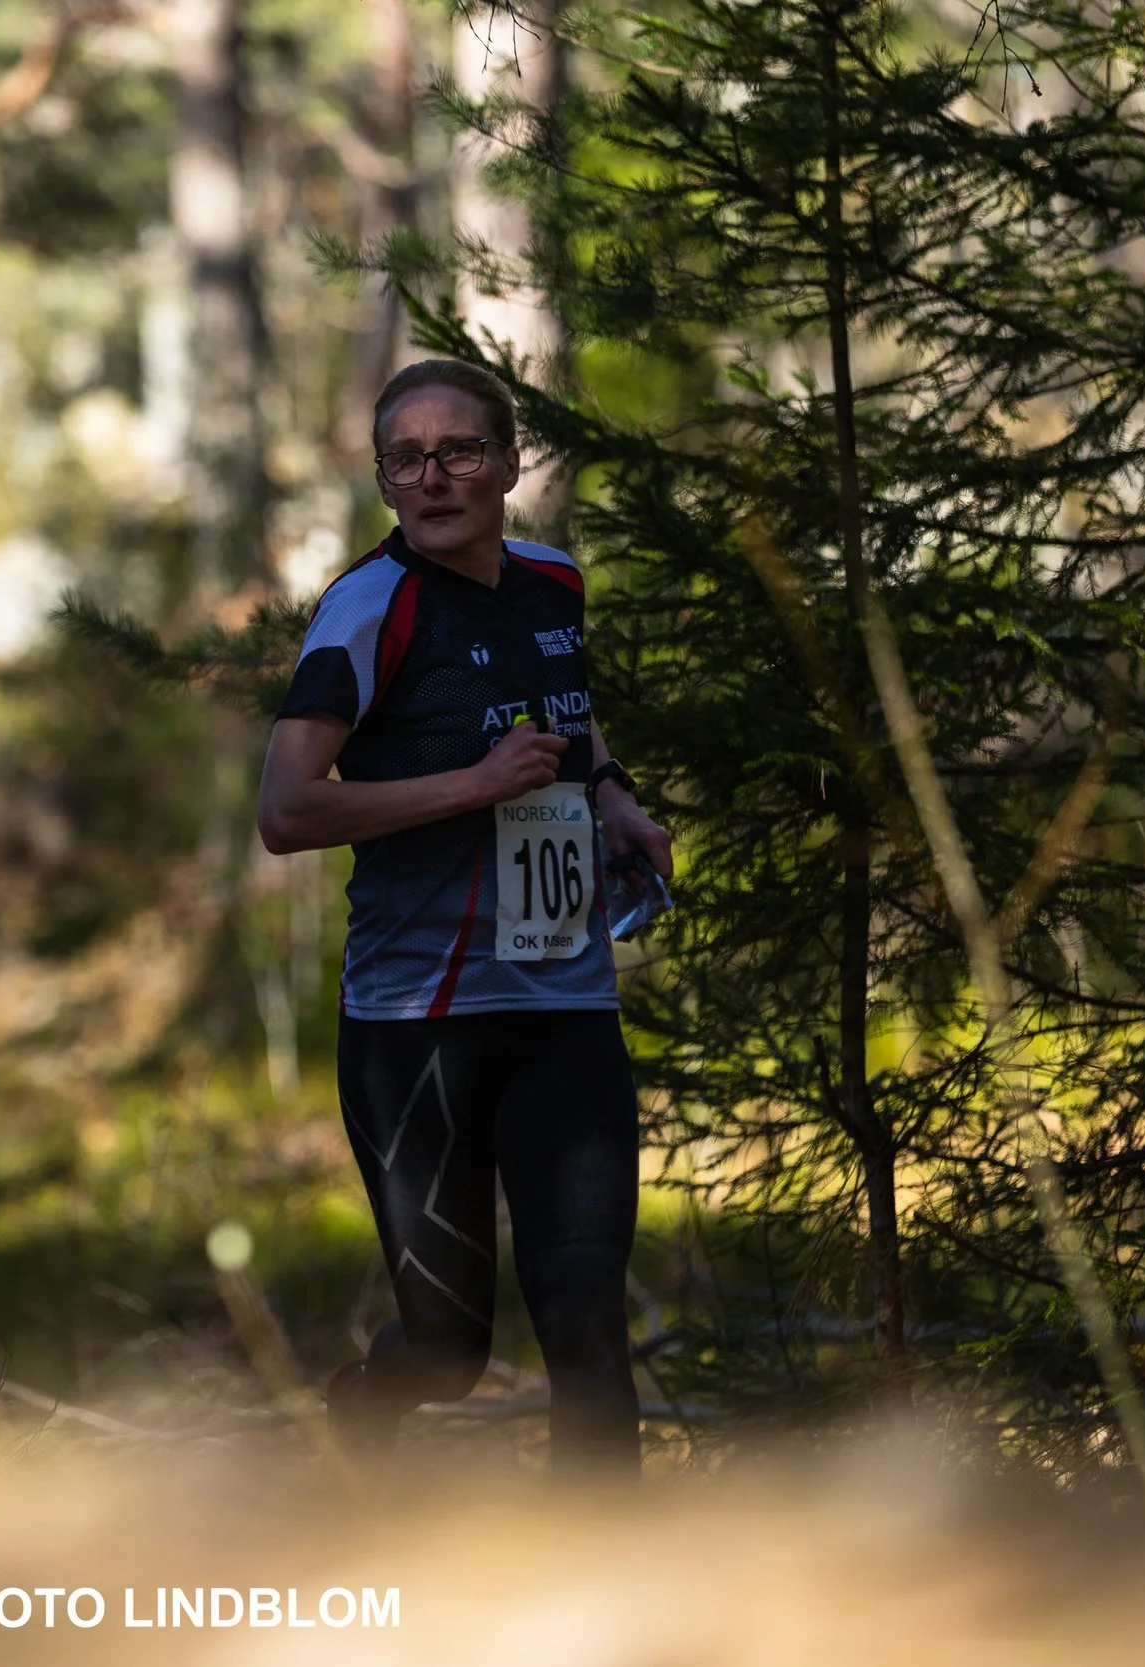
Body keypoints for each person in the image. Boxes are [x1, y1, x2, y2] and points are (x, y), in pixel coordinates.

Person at [256, 358, 673, 1472]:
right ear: (386, 481)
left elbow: (564, 720)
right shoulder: (369, 608)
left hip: (561, 1002)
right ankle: (358, 1416)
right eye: (408, 458)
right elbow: (286, 809)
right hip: (415, 1022)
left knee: (585, 1322)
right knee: (447, 1343)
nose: (435, 477)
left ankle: (618, 1599)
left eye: (461, 451)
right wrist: (471, 786)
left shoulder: (552, 581)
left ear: (509, 462)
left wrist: (614, 791)